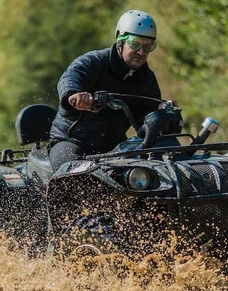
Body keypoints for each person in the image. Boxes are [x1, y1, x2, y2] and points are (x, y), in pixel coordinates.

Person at [49, 9, 166, 170]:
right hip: (71, 143)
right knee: (76, 175)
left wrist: (162, 113)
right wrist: (74, 94)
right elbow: (71, 77)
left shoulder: (147, 78)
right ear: (120, 40)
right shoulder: (95, 62)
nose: (141, 52)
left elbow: (146, 119)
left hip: (114, 149)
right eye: (136, 44)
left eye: (148, 46)